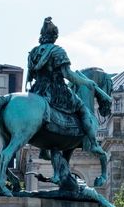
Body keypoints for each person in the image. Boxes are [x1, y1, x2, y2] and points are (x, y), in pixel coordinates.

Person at [26, 17, 105, 154]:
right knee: (82, 109)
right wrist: (86, 82)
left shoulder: (33, 52)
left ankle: (44, 149)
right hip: (56, 91)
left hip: (37, 90)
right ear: (55, 36)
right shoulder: (58, 51)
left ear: (42, 35)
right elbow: (68, 74)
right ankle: (93, 143)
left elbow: (29, 77)